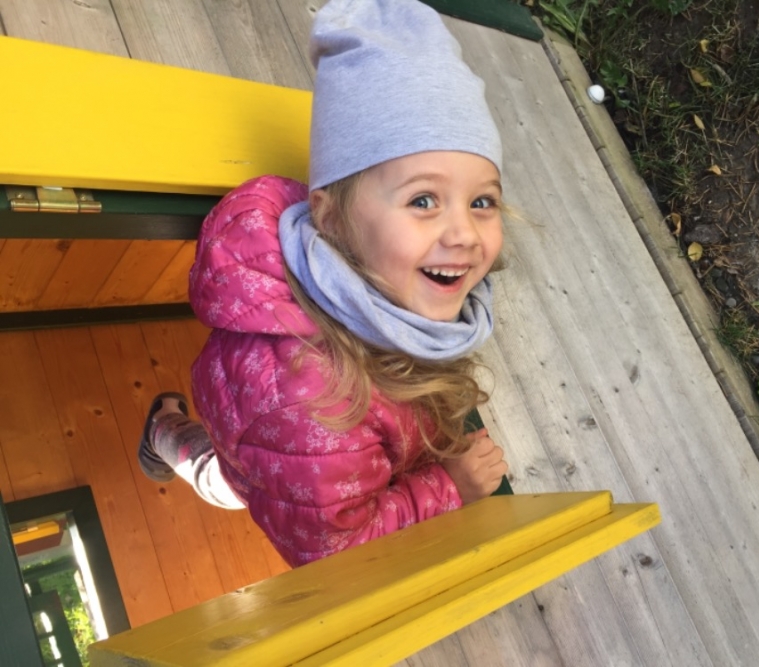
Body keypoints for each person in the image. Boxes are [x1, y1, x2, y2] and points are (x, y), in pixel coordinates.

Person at [137, 0, 510, 568]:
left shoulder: (385, 268)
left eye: (482, 200)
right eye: (423, 200)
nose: (464, 234)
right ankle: (162, 431)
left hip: (283, 445)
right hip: (264, 455)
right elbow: (334, 550)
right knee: (217, 478)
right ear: (330, 217)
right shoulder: (312, 407)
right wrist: (449, 487)